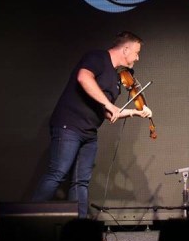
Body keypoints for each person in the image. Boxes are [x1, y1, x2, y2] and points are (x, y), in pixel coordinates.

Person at [32, 31, 152, 218]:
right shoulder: (97, 57)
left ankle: (80, 228)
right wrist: (108, 105)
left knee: (81, 182)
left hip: (89, 132)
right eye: (136, 53)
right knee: (57, 173)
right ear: (125, 49)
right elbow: (83, 78)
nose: (137, 58)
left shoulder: (115, 78)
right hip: (69, 125)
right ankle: (28, 219)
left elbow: (108, 113)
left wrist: (136, 112)